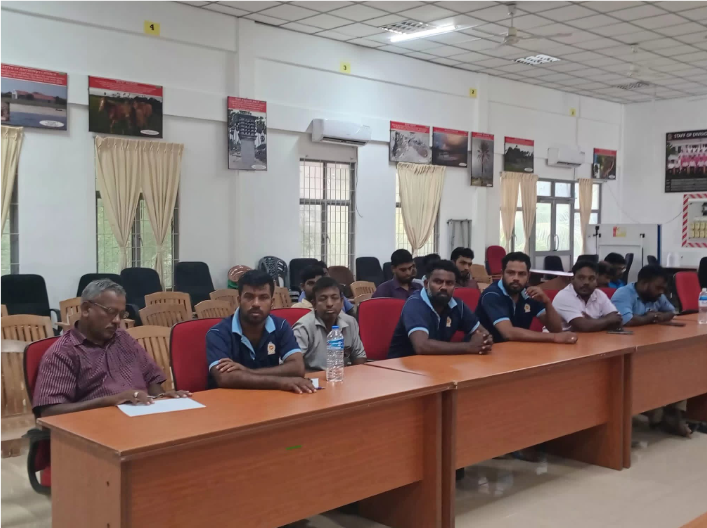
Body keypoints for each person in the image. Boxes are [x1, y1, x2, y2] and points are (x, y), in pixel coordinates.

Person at [32, 280, 190, 417]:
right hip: (97, 429)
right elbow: (49, 412)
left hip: (141, 421)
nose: (117, 320)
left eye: (121, 314)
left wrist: (162, 399)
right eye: (111, 312)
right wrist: (108, 401)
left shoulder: (123, 338)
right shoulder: (63, 352)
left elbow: (152, 380)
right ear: (86, 309)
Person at [207, 270, 316, 394]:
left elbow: (297, 367)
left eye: (263, 297)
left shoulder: (280, 326)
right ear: (239, 300)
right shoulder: (218, 333)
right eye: (249, 297)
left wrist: (246, 371)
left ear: (272, 303)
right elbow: (225, 378)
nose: (256, 304)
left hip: (270, 398)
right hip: (228, 399)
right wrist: (281, 382)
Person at [612, 265, 689, 436]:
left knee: (678, 363)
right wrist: (652, 317)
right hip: (625, 348)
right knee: (655, 369)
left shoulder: (655, 295)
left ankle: (671, 413)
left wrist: (650, 317)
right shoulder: (624, 294)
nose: (661, 292)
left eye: (663, 288)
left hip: (650, 344)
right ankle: (657, 413)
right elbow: (627, 321)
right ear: (644, 283)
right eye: (658, 287)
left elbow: (670, 312)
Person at [388, 260, 492, 359]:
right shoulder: (415, 304)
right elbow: (421, 346)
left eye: (449, 283)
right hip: (401, 366)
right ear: (426, 284)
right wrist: (469, 346)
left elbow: (483, 333)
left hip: (437, 363)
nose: (444, 287)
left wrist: (484, 341)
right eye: (438, 282)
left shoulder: (457, 305)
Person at [475, 252, 577, 344]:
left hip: (516, 349)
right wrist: (554, 337)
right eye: (511, 273)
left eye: (521, 274)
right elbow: (508, 333)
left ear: (528, 276)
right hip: (488, 351)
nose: (516, 278)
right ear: (502, 274)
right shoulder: (492, 294)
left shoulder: (529, 293)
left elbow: (556, 329)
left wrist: (547, 302)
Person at [293, 276, 367, 371]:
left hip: (340, 376)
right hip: (312, 378)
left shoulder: (350, 322)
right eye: (323, 299)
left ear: (342, 302)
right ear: (314, 304)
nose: (329, 304)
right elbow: (293, 365)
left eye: (334, 298)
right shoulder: (303, 327)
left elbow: (359, 357)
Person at [552, 261, 623, 332]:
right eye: (581, 278)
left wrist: (593, 322)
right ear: (572, 279)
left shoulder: (599, 294)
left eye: (591, 278)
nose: (586, 282)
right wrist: (607, 320)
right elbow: (583, 327)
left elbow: (618, 321)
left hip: (591, 337)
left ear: (596, 280)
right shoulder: (564, 296)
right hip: (561, 338)